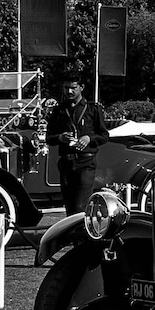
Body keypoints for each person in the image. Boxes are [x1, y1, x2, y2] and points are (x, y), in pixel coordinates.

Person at [45, 77, 108, 215]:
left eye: (73, 87)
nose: (69, 91)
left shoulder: (93, 109)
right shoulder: (59, 111)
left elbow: (104, 136)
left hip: (86, 162)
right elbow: (49, 138)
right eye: (66, 87)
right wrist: (60, 137)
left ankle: (82, 235)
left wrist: (89, 138)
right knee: (70, 206)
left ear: (81, 87)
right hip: (67, 163)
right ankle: (73, 236)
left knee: (81, 206)